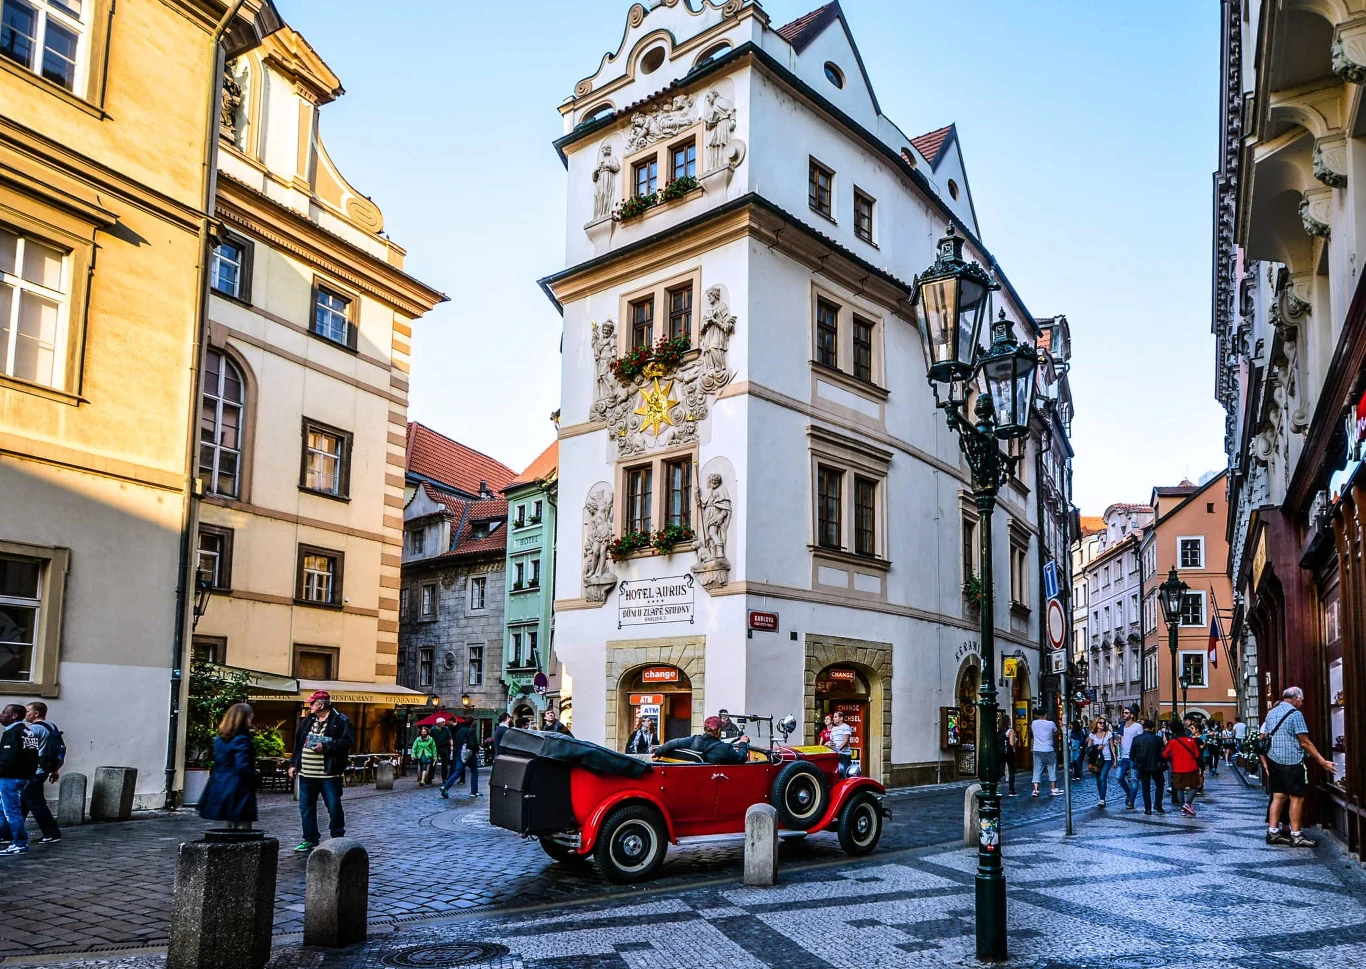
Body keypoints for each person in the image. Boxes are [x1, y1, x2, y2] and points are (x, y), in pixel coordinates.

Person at [1261, 686, 1336, 847]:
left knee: (1278, 796)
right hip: (1291, 761)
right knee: (1297, 797)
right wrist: (1322, 762)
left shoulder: (1271, 712)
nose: (1301, 703)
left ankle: (1273, 832)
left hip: (1274, 759)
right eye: (1301, 700)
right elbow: (1305, 742)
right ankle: (1296, 834)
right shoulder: (1295, 714)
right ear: (1295, 699)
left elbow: (1266, 735)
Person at [287, 690, 354, 852]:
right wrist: (293, 763)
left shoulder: (340, 720)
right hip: (307, 774)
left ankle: (337, 837)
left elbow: (347, 742)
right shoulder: (308, 720)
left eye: (312, 703)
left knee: (333, 805)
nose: (309, 706)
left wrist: (326, 746)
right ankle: (310, 839)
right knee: (306, 807)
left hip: (329, 774)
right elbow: (298, 743)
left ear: (321, 705)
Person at [0, 702, 62, 846]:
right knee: (23, 803)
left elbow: (26, 753)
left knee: (33, 804)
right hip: (38, 771)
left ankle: (49, 833)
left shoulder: (31, 730)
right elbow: (51, 750)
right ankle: (9, 835)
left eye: (28, 711)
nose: (25, 714)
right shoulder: (50, 726)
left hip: (32, 772)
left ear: (36, 713)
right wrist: (54, 768)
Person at [198, 703, 258, 831]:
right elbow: (242, 765)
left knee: (231, 823)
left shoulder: (220, 739)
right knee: (241, 825)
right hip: (238, 785)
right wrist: (255, 776)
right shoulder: (241, 739)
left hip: (220, 782)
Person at [0, 704, 38, 856]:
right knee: (4, 809)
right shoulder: (28, 732)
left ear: (14, 716)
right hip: (24, 777)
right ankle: (4, 836)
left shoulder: (13, 733)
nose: (1, 715)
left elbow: (7, 759)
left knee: (12, 811)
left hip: (11, 777)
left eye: (4, 712)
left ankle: (20, 843)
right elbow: (34, 756)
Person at [653, 716, 750, 764]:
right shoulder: (724, 749)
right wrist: (743, 743)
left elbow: (673, 743)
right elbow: (741, 758)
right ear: (719, 730)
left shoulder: (693, 740)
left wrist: (657, 752)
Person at [1163, 721, 1202, 817]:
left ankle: (1182, 808)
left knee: (1179, 789)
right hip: (1192, 767)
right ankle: (1187, 804)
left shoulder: (1172, 742)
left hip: (1177, 769)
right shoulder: (1191, 740)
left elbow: (1164, 754)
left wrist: (1174, 757)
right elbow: (1197, 754)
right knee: (1194, 787)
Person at [1130, 719, 1167, 815]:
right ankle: (1158, 804)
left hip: (1142, 766)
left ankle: (1147, 808)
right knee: (1160, 785)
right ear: (1153, 728)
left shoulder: (1136, 739)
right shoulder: (1157, 739)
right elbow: (1163, 754)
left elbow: (1132, 754)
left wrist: (1137, 762)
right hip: (1156, 766)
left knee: (1145, 788)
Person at [441, 717, 482, 798]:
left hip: (459, 753)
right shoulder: (472, 730)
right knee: (474, 771)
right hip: (469, 754)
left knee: (457, 772)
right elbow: (473, 743)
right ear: (472, 723)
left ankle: (445, 786)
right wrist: (476, 750)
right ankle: (474, 791)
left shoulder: (460, 730)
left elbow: (457, 741)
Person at [1087, 717, 1117, 807]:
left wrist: (1115, 759)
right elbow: (1089, 748)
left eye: (1103, 723)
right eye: (1100, 723)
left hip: (1107, 759)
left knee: (1103, 778)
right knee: (1098, 780)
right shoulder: (1092, 735)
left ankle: (1102, 799)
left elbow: (1112, 747)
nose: (1102, 724)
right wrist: (1097, 747)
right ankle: (1101, 797)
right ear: (1096, 723)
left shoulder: (1108, 734)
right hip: (1096, 760)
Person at [1117, 706, 1143, 810]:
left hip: (1133, 756)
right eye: (1123, 713)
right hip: (1123, 756)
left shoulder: (1137, 726)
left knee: (1134, 779)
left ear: (1132, 715)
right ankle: (1129, 793)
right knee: (1119, 777)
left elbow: (1140, 741)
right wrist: (1117, 741)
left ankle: (1131, 801)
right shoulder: (1122, 725)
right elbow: (1119, 737)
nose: (1124, 714)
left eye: (1126, 713)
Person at [1030, 708, 1060, 797]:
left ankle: (1036, 790)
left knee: (1037, 770)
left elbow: (1033, 733)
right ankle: (1053, 788)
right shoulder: (1051, 724)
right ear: (1046, 714)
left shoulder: (1034, 723)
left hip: (1037, 749)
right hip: (1048, 749)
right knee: (1052, 768)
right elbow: (1056, 732)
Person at [828, 710, 854, 777]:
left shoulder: (846, 727)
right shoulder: (833, 729)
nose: (833, 718)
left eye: (836, 717)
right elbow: (832, 741)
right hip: (836, 755)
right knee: (837, 775)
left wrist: (838, 750)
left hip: (844, 755)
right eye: (833, 717)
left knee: (846, 774)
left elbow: (845, 741)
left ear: (841, 718)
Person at [998, 713, 1018, 797]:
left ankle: (996, 789)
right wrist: (1015, 739)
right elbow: (1011, 743)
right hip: (1009, 753)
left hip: (1000, 753)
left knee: (1000, 770)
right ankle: (1011, 790)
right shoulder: (1010, 731)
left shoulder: (998, 731)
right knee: (1011, 771)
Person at [430, 716, 454, 784]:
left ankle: (444, 778)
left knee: (444, 764)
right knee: (433, 762)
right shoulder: (433, 729)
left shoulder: (446, 729)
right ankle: (430, 778)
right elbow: (430, 739)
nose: (444, 723)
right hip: (435, 747)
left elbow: (449, 737)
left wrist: (451, 745)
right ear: (438, 723)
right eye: (442, 722)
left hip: (444, 747)